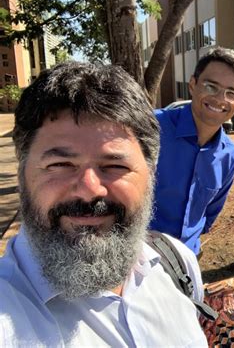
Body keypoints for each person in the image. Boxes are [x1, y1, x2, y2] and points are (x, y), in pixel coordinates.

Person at [0, 62, 208, 346]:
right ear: (24, 174)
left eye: (114, 165)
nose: (89, 190)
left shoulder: (177, 265)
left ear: (151, 173)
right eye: (60, 164)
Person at [150, 47, 234, 255]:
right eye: (211, 87)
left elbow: (210, 212)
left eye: (231, 93)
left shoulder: (229, 155)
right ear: (193, 85)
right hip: (138, 262)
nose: (221, 99)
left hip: (188, 260)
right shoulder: (151, 128)